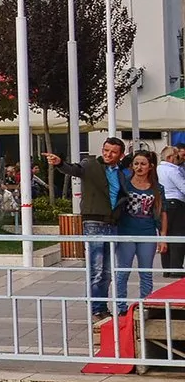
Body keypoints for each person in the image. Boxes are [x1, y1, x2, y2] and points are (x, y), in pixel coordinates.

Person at [79, 137, 128, 325]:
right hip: (94, 223)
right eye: (106, 150)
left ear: (120, 155)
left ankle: (101, 306)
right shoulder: (91, 165)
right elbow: (75, 169)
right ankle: (96, 309)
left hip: (112, 223)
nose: (108, 154)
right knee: (97, 269)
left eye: (113, 152)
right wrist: (59, 163)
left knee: (107, 271)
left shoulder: (120, 173)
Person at [113, 150, 166, 309]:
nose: (139, 167)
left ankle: (145, 305)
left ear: (150, 166)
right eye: (136, 164)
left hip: (147, 233)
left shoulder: (158, 188)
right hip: (125, 232)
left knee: (146, 272)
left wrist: (163, 236)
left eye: (143, 164)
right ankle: (121, 306)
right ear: (131, 166)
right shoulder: (124, 184)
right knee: (123, 272)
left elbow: (162, 212)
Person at [161, 146, 185, 273]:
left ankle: (167, 268)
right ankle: (176, 268)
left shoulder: (158, 169)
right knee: (178, 235)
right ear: (170, 157)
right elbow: (183, 187)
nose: (179, 159)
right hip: (176, 203)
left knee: (165, 235)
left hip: (163, 203)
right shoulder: (173, 171)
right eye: (177, 156)